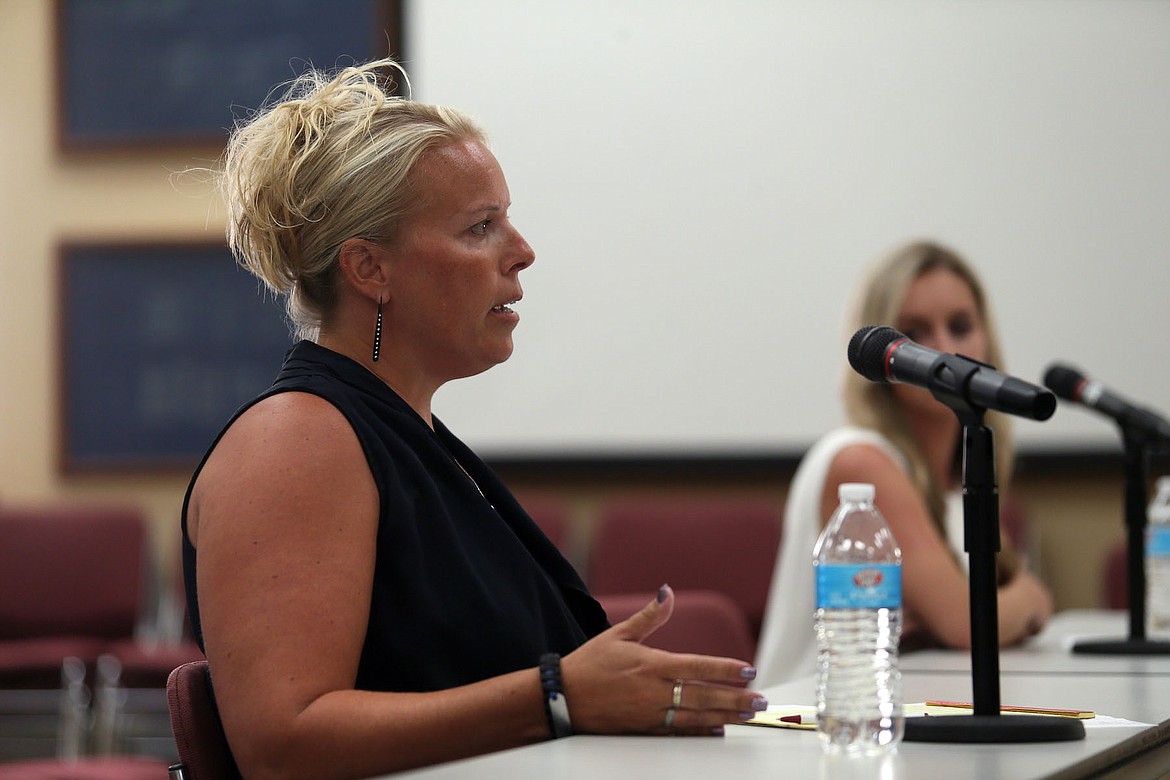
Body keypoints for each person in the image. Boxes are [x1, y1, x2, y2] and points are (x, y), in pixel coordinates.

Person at [180, 58, 766, 780]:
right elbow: (284, 743)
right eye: (481, 227)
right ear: (371, 269)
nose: (521, 253)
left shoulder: (409, 434)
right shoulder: (296, 440)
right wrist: (556, 697)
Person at [755, 240, 1054, 687]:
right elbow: (969, 623)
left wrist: (1017, 606)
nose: (945, 349)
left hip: (906, 717)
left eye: (960, 325)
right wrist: (1031, 597)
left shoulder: (956, 480)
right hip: (818, 724)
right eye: (916, 330)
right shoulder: (860, 461)